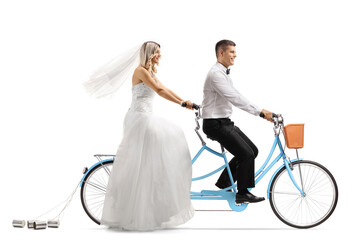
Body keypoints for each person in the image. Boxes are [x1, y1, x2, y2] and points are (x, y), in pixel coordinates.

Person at [84, 41, 194, 231]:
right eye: (157, 52)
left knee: (149, 165)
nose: (160, 55)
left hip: (145, 118)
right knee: (171, 136)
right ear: (149, 54)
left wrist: (184, 101)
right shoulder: (140, 71)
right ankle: (132, 211)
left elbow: (165, 89)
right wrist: (182, 104)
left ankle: (150, 210)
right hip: (139, 119)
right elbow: (159, 92)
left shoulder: (150, 73)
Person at [201, 39, 273, 205]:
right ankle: (242, 193)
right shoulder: (216, 74)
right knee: (245, 154)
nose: (235, 55)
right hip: (214, 124)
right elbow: (234, 98)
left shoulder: (223, 73)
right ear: (221, 53)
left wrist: (261, 110)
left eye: (235, 51)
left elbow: (235, 94)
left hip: (223, 121)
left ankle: (225, 182)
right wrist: (260, 112)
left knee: (252, 151)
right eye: (232, 52)